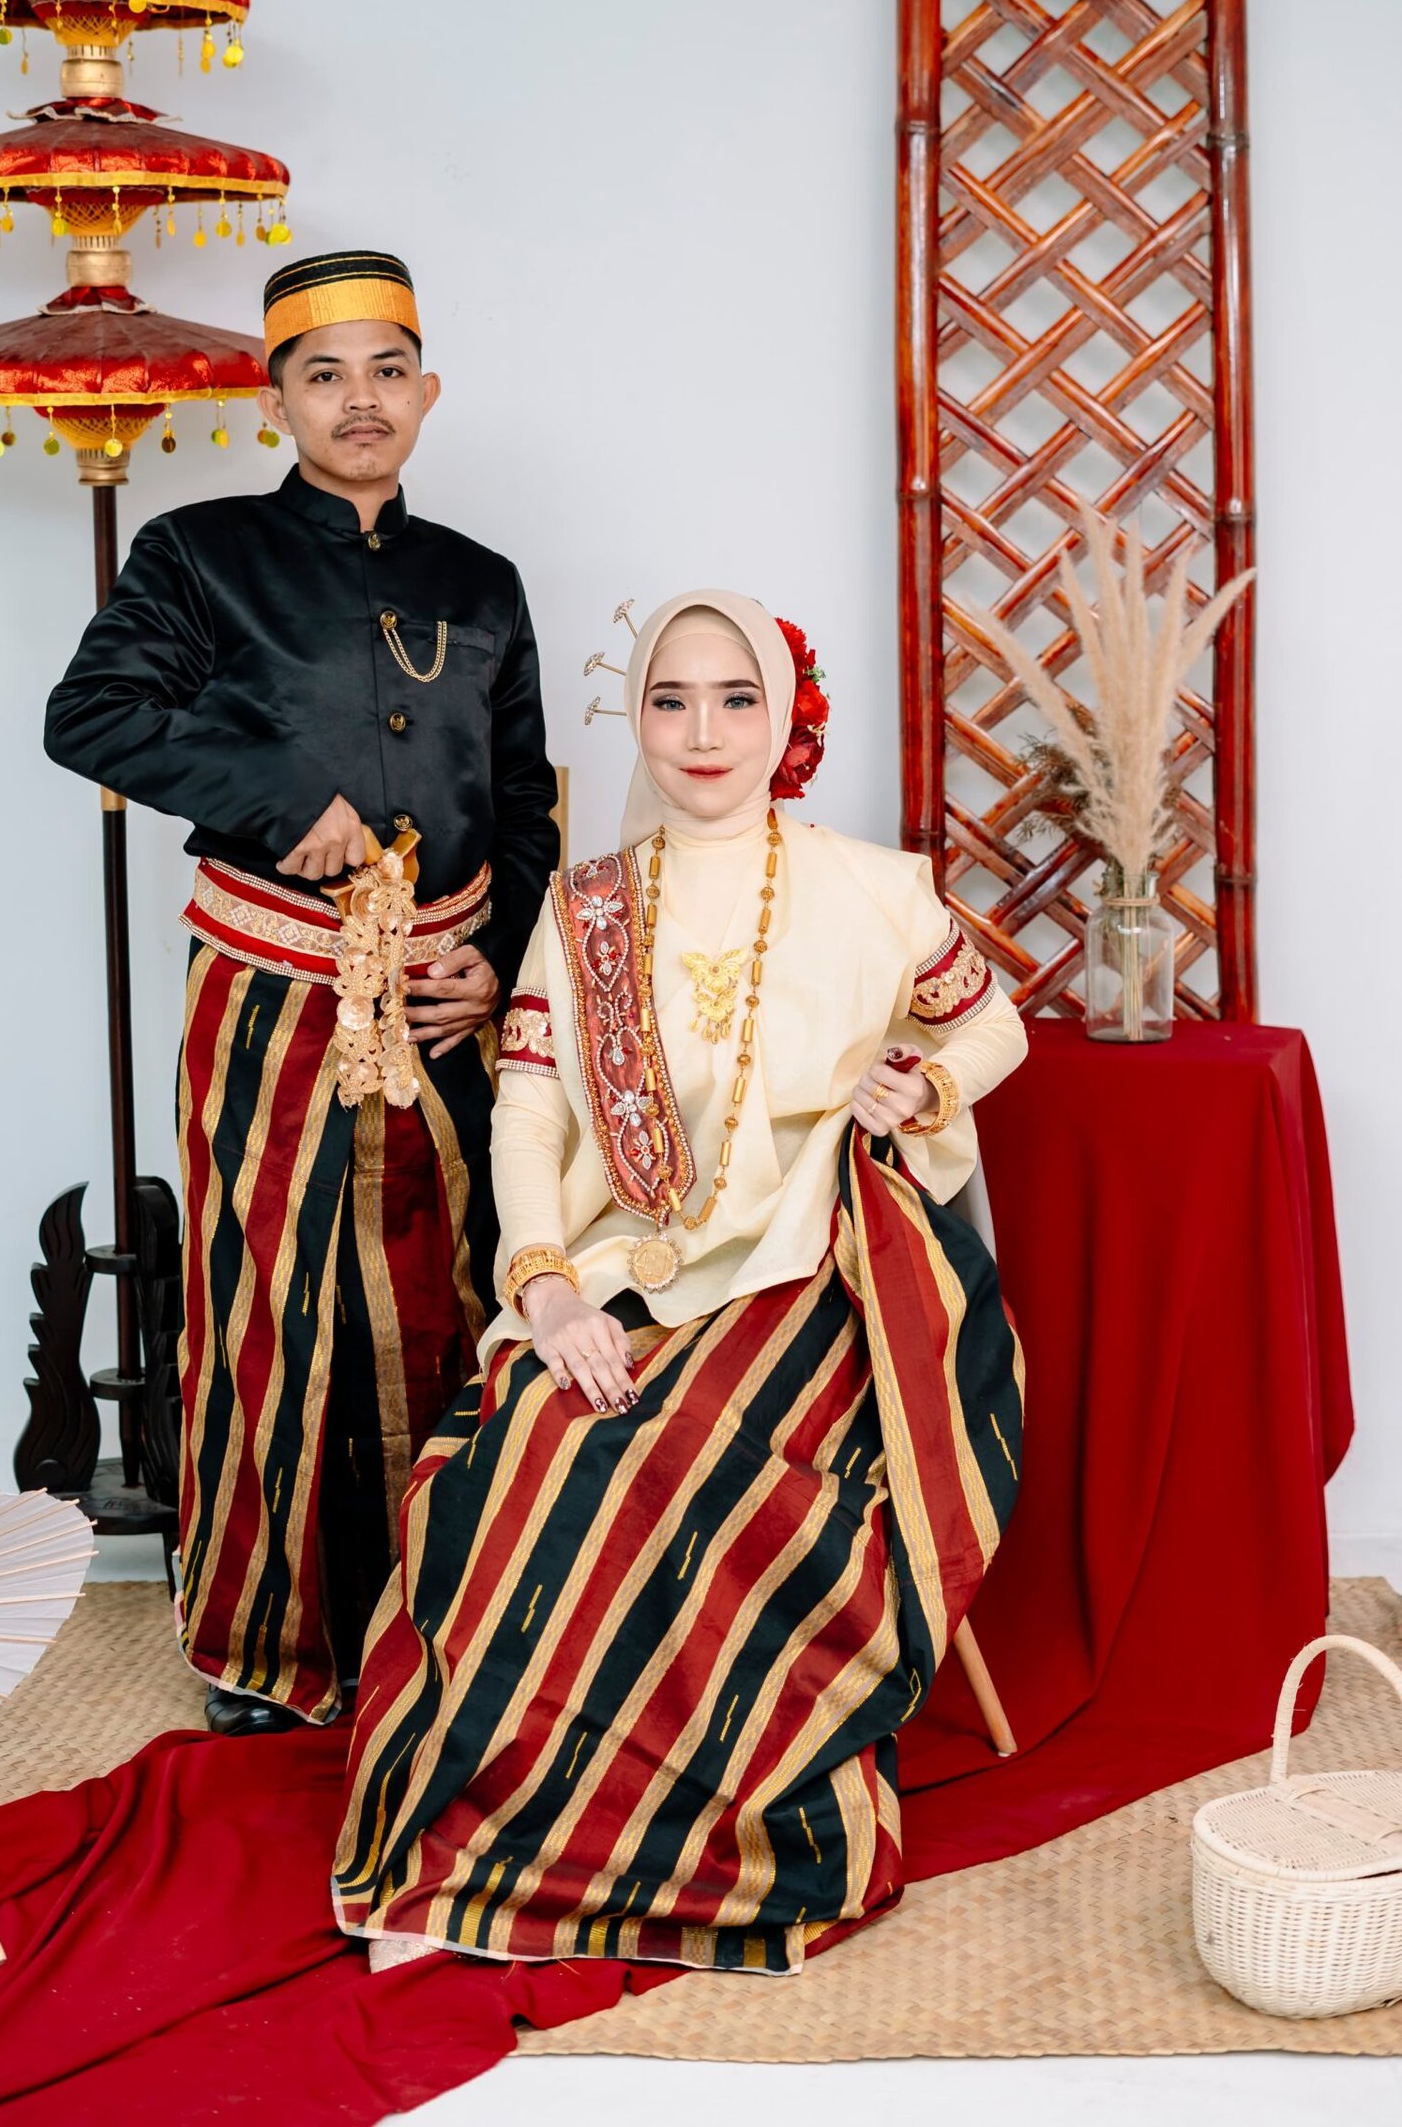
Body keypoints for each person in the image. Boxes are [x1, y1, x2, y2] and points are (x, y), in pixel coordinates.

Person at [330, 589, 1028, 1973]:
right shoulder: (586, 905)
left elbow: (993, 1022)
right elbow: (530, 1104)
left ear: (784, 718)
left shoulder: (876, 887)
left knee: (669, 1456)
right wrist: (545, 1291)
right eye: (670, 700)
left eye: (735, 699)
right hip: (622, 1266)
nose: (703, 731)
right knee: (530, 1447)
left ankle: (714, 1857)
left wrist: (927, 1083)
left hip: (827, 1267)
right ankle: (479, 1848)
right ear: (638, 719)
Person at [43, 250, 560, 1734]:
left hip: (444, 993)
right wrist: (278, 800)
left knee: (452, 1285)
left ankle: (443, 1615)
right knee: (273, 1299)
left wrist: (498, 955)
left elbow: (524, 800)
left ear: (428, 391)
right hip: (272, 992)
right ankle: (262, 1645)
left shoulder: (482, 581)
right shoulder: (198, 555)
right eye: (325, 376)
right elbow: (88, 714)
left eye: (387, 371)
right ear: (277, 400)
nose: (360, 401)